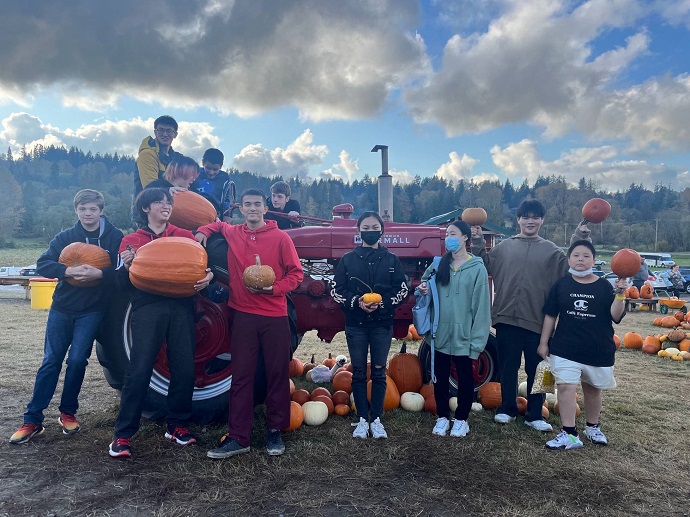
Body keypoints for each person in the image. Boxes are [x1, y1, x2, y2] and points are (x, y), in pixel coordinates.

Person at [195, 189, 303, 458]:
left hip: (274, 315)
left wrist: (275, 289)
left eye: (257, 204)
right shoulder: (234, 232)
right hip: (243, 315)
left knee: (277, 373)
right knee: (242, 375)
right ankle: (238, 436)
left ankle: (275, 430)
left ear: (266, 209)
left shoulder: (281, 238)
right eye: (247, 204)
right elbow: (218, 225)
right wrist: (204, 231)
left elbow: (296, 274)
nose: (252, 208)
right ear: (241, 209)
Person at [10, 190, 123, 444]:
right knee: (51, 361)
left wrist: (100, 275)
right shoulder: (66, 237)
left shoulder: (114, 237)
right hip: (62, 307)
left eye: (92, 209)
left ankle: (68, 413)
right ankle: (32, 420)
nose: (87, 214)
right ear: (76, 211)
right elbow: (43, 264)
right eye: (83, 209)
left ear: (101, 211)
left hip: (93, 309)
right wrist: (67, 271)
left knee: (77, 361)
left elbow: (121, 270)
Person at [108, 188, 213, 459]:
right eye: (159, 202)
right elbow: (119, 284)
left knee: (184, 369)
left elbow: (201, 266)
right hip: (147, 307)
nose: (166, 206)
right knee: (139, 370)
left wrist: (209, 276)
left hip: (181, 306)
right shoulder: (131, 241)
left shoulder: (184, 236)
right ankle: (123, 435)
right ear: (146, 208)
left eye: (168, 202)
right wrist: (126, 266)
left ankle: (177, 426)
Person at [469, 199, 590, 433]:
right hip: (506, 318)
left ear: (542, 220)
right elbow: (483, 265)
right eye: (526, 217)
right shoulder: (504, 247)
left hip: (539, 322)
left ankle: (535, 413)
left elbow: (571, 265)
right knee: (508, 367)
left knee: (540, 370)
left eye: (535, 217)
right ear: (518, 220)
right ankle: (507, 408)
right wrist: (477, 240)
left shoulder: (551, 251)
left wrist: (580, 237)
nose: (530, 221)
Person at [538, 240, 627, 450]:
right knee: (565, 387)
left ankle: (592, 427)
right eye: (576, 255)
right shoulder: (561, 284)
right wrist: (543, 342)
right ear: (569, 259)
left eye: (586, 256)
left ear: (593, 261)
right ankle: (569, 433)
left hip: (597, 348)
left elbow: (616, 316)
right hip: (565, 347)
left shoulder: (604, 286)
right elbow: (550, 315)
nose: (581, 259)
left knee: (593, 389)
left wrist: (621, 294)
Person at [330, 211, 409, 439]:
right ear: (359, 231)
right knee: (357, 372)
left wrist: (382, 303)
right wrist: (357, 302)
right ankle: (362, 418)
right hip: (356, 324)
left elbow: (402, 289)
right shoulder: (348, 259)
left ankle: (376, 418)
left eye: (375, 228)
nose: (371, 231)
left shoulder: (391, 260)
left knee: (379, 371)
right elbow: (336, 290)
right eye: (366, 228)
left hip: (382, 324)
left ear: (382, 231)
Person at [417, 221, 491, 438]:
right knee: (439, 376)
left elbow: (481, 307)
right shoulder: (438, 264)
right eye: (447, 234)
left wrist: (477, 342)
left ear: (465, 237)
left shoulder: (476, 268)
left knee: (465, 378)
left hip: (464, 335)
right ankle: (442, 416)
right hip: (440, 332)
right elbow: (424, 285)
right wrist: (422, 289)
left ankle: (461, 419)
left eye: (453, 234)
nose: (449, 238)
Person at [133, 115, 181, 195]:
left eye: (169, 131)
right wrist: (169, 189)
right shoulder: (147, 154)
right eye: (161, 130)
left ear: (175, 134)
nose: (165, 134)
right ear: (155, 132)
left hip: (168, 201)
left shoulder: (176, 158)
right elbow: (150, 187)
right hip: (148, 202)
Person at [190, 148, 233, 222]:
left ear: (221, 166)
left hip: (216, 216)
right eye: (208, 168)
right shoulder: (195, 173)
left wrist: (226, 215)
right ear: (203, 163)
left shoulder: (224, 177)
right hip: (195, 212)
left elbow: (226, 198)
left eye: (215, 169)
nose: (211, 172)